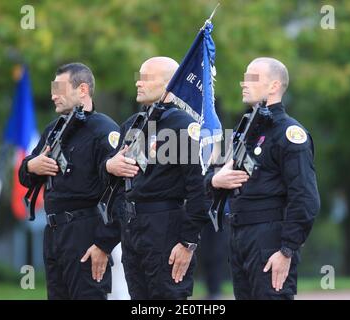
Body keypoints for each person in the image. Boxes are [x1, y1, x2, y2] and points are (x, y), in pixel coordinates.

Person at [205, 57, 320, 300]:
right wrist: (215, 181)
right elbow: (218, 178)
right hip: (240, 236)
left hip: (269, 240)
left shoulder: (289, 133)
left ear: (274, 86)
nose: (243, 84)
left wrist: (287, 249)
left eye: (252, 78)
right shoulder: (247, 130)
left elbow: (305, 197)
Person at [104, 56, 209, 299]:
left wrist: (188, 242)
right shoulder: (133, 125)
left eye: (146, 78)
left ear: (169, 83)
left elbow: (198, 189)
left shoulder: (183, 125)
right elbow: (110, 183)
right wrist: (110, 165)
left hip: (165, 228)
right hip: (132, 229)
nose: (138, 84)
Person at [19, 62, 121, 300]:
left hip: (86, 233)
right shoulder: (54, 130)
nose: (53, 95)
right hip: (54, 233)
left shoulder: (104, 130)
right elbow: (25, 176)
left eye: (60, 89)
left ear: (82, 89)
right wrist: (31, 166)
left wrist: (104, 244)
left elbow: (121, 192)